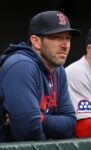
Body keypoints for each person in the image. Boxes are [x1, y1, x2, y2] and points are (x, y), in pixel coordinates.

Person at [0, 10, 82, 142]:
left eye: (67, 38)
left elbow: (70, 123)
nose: (65, 45)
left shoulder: (58, 71)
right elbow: (28, 133)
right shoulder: (20, 66)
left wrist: (42, 119)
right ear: (36, 42)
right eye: (57, 37)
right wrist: (49, 134)